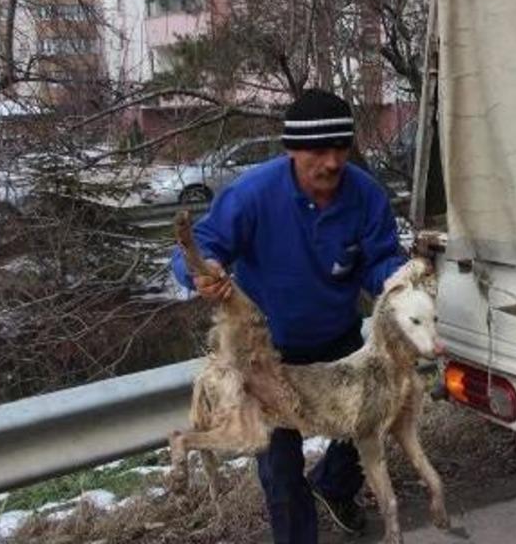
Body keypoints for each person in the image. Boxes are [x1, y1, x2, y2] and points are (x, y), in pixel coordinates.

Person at [171, 89, 407, 544]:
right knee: (281, 473)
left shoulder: (366, 197)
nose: (333, 162)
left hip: (336, 340)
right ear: (293, 152)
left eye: (340, 148)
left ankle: (334, 488)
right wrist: (200, 273)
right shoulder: (253, 195)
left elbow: (379, 263)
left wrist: (400, 283)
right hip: (267, 354)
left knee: (370, 423)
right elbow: (202, 246)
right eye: (318, 151)